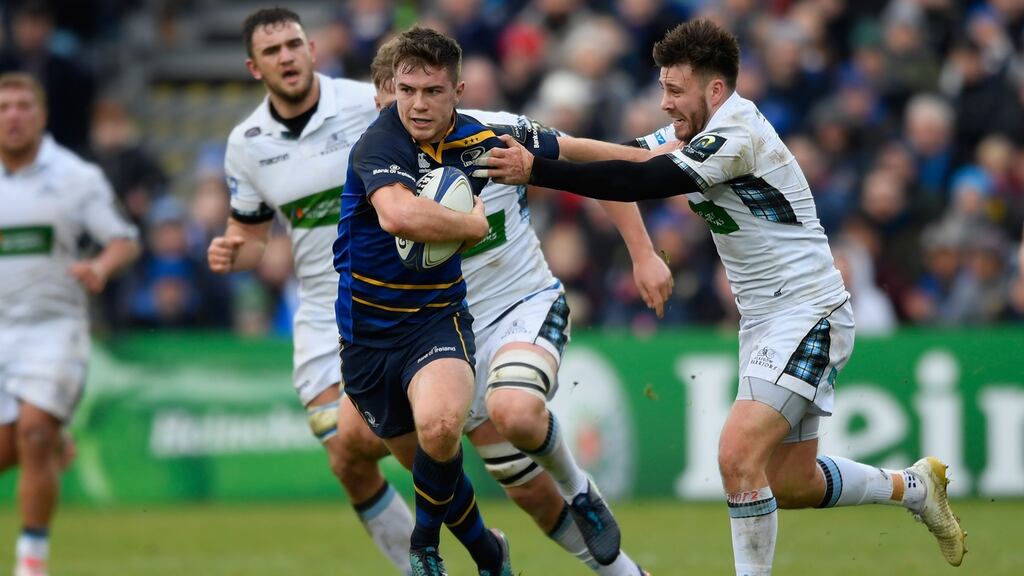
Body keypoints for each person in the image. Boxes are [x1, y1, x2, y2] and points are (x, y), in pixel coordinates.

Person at [477, 18, 968, 575]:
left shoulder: (736, 136)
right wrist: (546, 144)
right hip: (765, 318)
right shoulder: (696, 132)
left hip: (808, 310)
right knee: (790, 483)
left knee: (736, 455)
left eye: (674, 90)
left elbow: (642, 182)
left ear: (714, 90)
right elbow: (626, 158)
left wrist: (537, 169)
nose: (664, 103)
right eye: (662, 87)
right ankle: (913, 488)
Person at [207, 8, 413, 574]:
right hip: (325, 313)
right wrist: (233, 252)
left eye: (294, 45)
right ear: (255, 67)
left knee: (392, 437)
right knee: (347, 458)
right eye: (272, 52)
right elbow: (251, 239)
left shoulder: (365, 103)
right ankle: (425, 563)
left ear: (313, 49)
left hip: (400, 297)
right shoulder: (246, 143)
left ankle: (465, 537)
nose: (286, 57)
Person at [334, 26, 516, 576]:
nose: (416, 102)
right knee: (426, 462)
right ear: (392, 88)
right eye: (407, 89)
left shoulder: (478, 137)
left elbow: (567, 155)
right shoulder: (379, 142)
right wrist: (471, 223)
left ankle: (423, 549)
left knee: (441, 428)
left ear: (457, 90)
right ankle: (489, 554)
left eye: (431, 91)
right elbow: (397, 215)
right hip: (367, 336)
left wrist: (650, 164)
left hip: (436, 319)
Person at [0, 72, 140, 576]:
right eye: (3, 106)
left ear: (41, 116)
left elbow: (124, 238)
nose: (12, 115)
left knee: (33, 432)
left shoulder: (74, 176)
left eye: (22, 106)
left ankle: (30, 562)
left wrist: (101, 266)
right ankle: (55, 441)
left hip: (52, 328)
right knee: (12, 448)